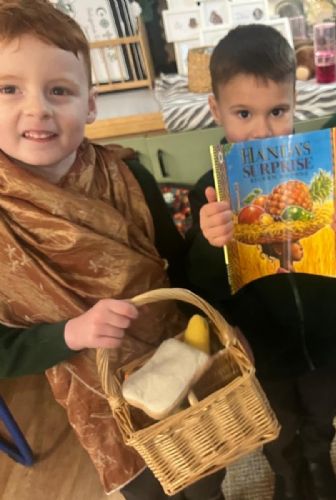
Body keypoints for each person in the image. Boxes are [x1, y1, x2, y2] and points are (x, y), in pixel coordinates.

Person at [0, 2, 225, 499]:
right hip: (103, 404)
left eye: (59, 90)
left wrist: (211, 245)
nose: (37, 109)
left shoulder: (129, 177)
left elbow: (181, 270)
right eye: (9, 88)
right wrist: (71, 333)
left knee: (209, 474)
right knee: (150, 489)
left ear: (90, 105)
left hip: (181, 356)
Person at [185, 24, 336, 500]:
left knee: (322, 409)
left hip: (331, 333)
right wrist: (210, 245)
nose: (262, 131)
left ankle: (317, 458)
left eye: (277, 111)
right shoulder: (209, 193)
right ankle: (287, 471)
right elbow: (201, 289)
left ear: (296, 103)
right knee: (274, 418)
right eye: (243, 113)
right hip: (262, 341)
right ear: (216, 110)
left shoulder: (329, 171)